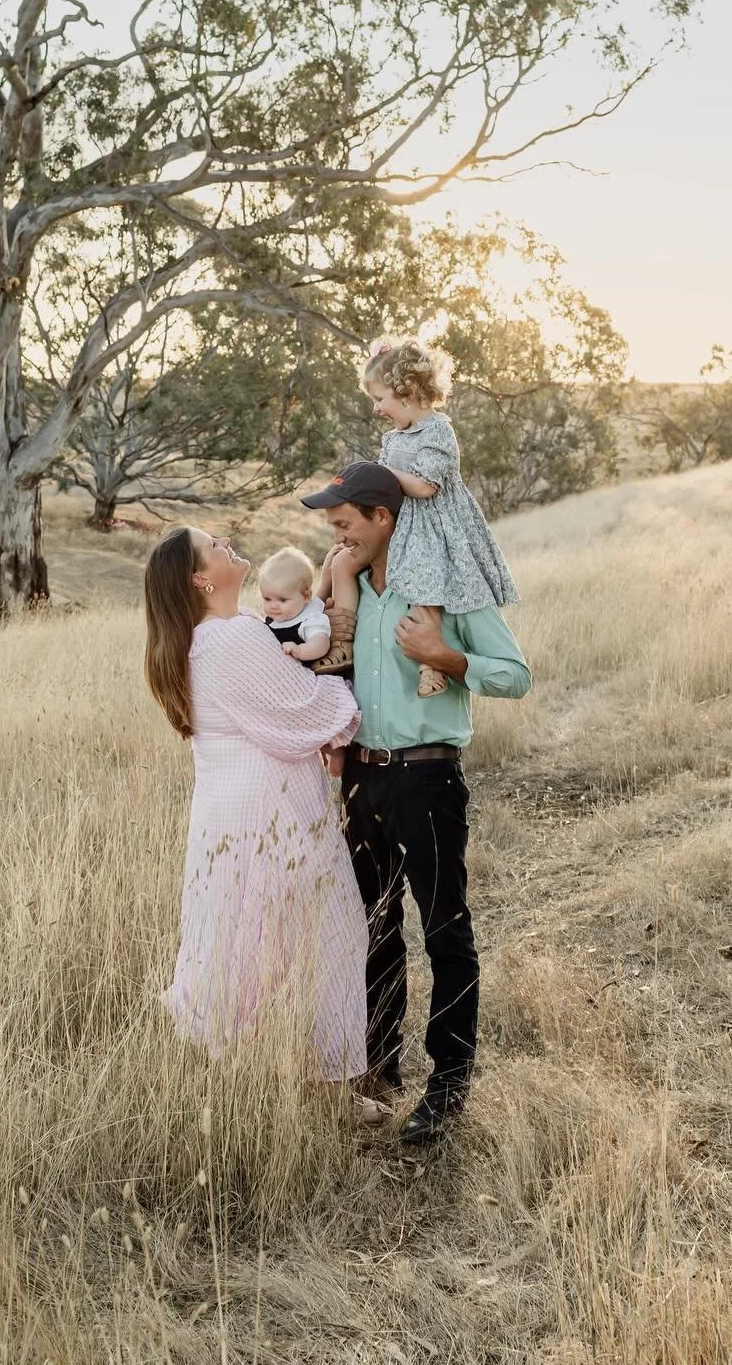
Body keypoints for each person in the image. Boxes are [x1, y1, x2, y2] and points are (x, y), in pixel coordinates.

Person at [301, 462, 532, 1146]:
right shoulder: (349, 597)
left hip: (428, 778)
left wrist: (446, 656)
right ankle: (378, 1068)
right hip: (362, 782)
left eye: (345, 523)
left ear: (383, 518)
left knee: (443, 931)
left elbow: (516, 675)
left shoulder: (443, 588)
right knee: (372, 930)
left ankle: (449, 1083)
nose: (337, 536)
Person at [144, 525, 380, 1099]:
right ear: (201, 578)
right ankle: (329, 1088)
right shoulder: (228, 641)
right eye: (214, 545)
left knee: (243, 940)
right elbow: (309, 707)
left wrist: (323, 584)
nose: (227, 543)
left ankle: (252, 1078)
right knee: (325, 934)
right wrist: (346, 695)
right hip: (267, 816)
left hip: (231, 813)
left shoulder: (217, 635)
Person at [320, 337, 518, 697]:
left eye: (380, 399)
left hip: (433, 526)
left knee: (426, 584)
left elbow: (427, 487)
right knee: (342, 566)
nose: (377, 409)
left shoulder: (438, 430)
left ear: (407, 390)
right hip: (406, 524)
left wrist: (387, 475)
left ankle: (432, 664)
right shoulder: (394, 437)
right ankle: (342, 642)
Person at [258, 545, 334, 664]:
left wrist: (300, 650)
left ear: (306, 596)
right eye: (267, 599)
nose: (273, 606)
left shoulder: (309, 620)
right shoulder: (273, 621)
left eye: (282, 600)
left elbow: (321, 643)